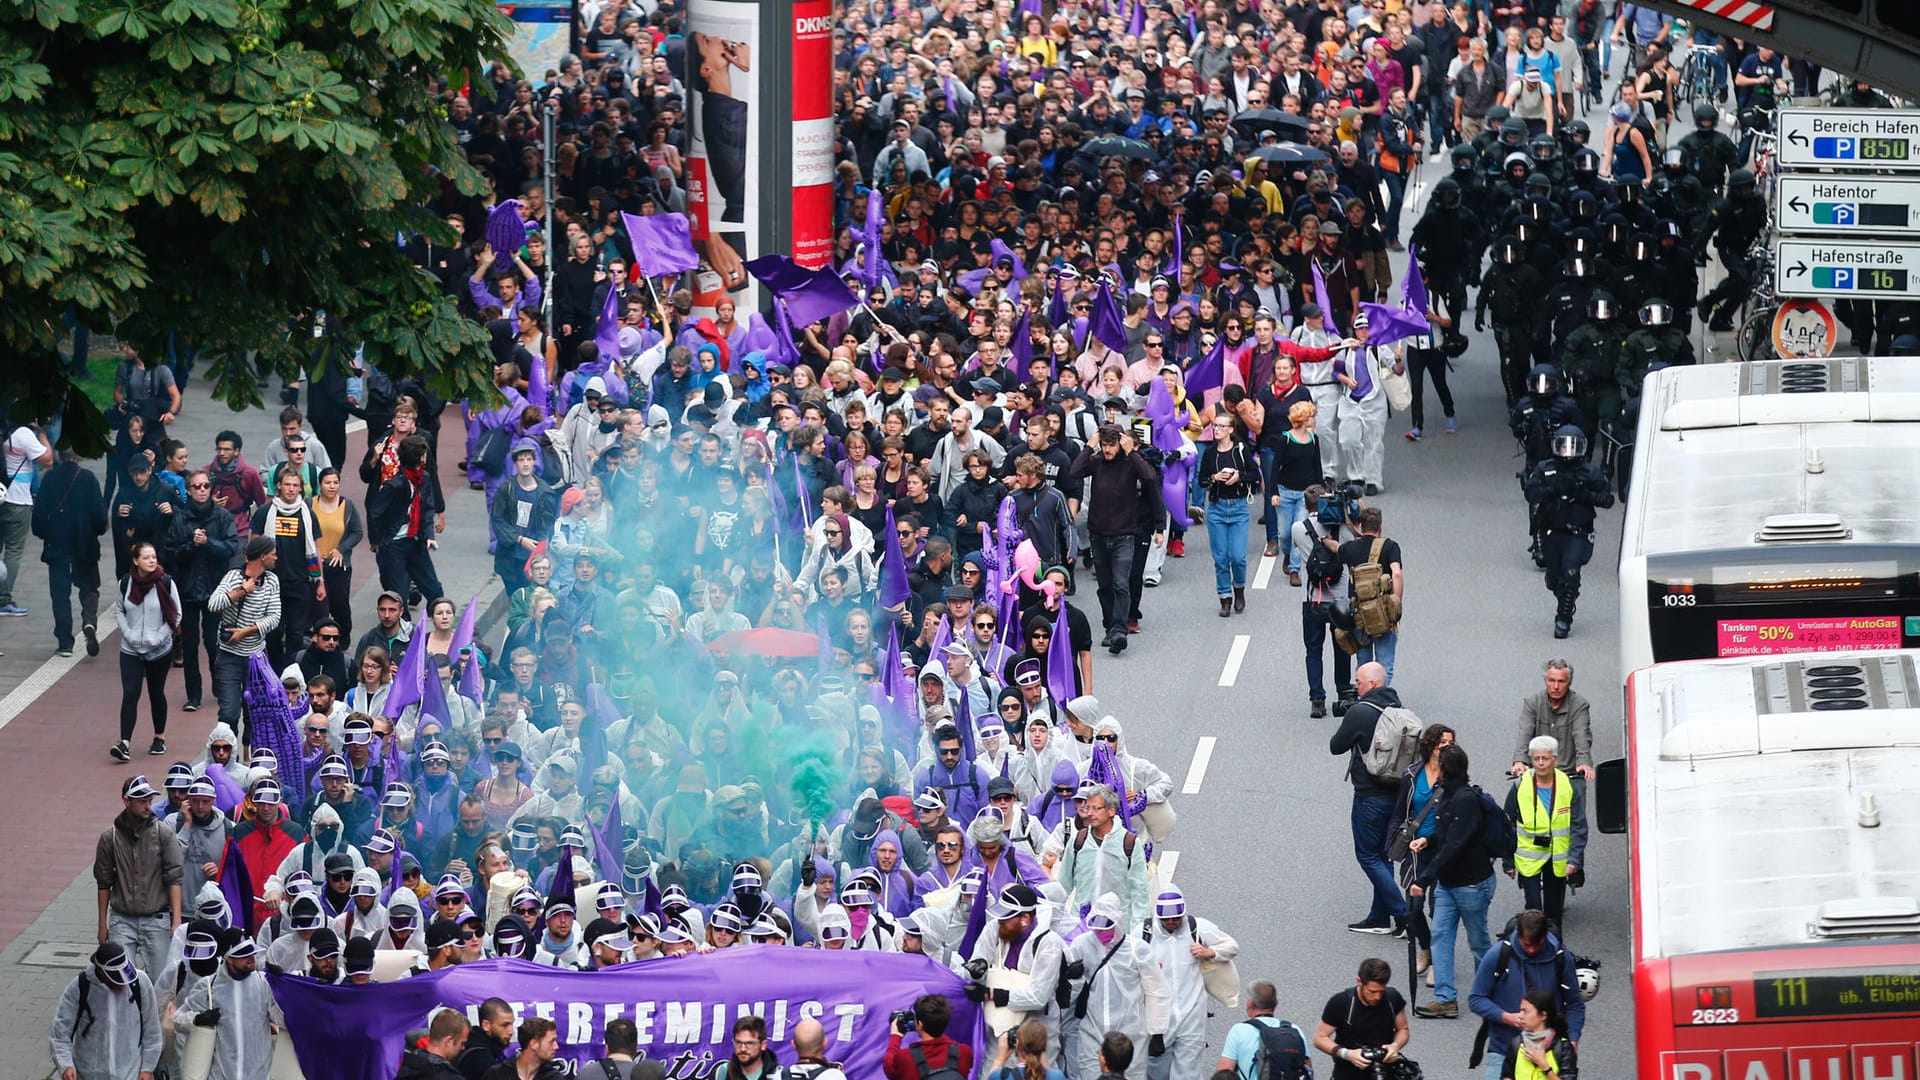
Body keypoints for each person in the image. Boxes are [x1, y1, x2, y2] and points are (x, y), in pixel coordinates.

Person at [1408, 744, 1497, 1021]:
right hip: (1449, 883)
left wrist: (1423, 878)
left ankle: (1490, 992)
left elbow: (1456, 844)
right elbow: (1447, 835)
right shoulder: (1447, 795)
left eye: (1440, 765)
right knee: (1441, 936)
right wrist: (1429, 839)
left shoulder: (1465, 800)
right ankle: (1446, 999)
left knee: (1478, 940)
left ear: (1447, 770)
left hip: (1471, 884)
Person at [1065, 426, 1163, 654]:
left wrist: (1132, 452)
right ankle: (1110, 626)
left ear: (1120, 444)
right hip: (1098, 534)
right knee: (1105, 586)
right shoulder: (1097, 461)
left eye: (1112, 445)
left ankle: (1119, 630)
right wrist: (1090, 445)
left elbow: (1149, 477)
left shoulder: (1131, 463)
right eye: (1105, 445)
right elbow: (1074, 471)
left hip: (1124, 535)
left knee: (1121, 583)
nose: (1108, 449)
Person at [1327, 662, 1407, 935]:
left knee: (1368, 856)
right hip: (1397, 794)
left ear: (1372, 684)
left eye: (1358, 682)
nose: (1355, 686)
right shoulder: (1398, 707)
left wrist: (1349, 718)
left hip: (1369, 795)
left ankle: (1404, 914)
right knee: (1383, 856)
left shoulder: (1360, 712)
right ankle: (1380, 917)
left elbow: (1336, 746)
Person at [1468, 910, 1585, 1080]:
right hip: (1503, 1048)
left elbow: (1575, 1004)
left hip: (1549, 1052)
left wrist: (1573, 1039)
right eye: (1526, 945)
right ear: (1518, 934)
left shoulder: (1561, 958)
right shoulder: (1499, 954)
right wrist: (1506, 1017)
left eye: (1537, 945)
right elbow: (1476, 998)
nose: (1531, 950)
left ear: (1545, 936)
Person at [1064, 892, 1168, 1080]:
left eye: (1106, 928)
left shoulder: (1137, 950)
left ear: (1118, 922)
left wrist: (1157, 1031)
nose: (1101, 933)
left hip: (1130, 1036)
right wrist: (1070, 976)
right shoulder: (1082, 945)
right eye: (1097, 928)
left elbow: (1156, 991)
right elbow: (1068, 992)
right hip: (1093, 1032)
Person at [1522, 427, 1613, 638]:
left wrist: (1582, 494)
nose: (1568, 451)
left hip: (1578, 533)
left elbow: (1607, 499)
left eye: (1573, 446)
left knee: (1571, 571)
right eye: (1564, 446)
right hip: (1552, 531)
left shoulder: (1589, 472)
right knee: (1553, 579)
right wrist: (1551, 491)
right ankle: (1565, 596)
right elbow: (1530, 492)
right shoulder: (1545, 468)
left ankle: (1563, 618)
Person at [164, 469, 240, 711]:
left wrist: (208, 543)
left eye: (205, 485)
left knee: (212, 640)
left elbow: (231, 548)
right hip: (187, 589)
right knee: (189, 644)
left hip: (213, 589)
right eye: (196, 486)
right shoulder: (180, 519)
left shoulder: (222, 516)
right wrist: (191, 545)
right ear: (188, 490)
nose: (202, 490)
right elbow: (170, 553)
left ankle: (219, 684)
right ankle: (193, 695)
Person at [1145, 886, 1239, 1080]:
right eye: (1166, 919)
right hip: (1158, 1023)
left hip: (1191, 1019)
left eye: (1176, 918)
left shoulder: (1197, 927)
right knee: (1156, 1073)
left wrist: (1210, 953)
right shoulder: (1145, 933)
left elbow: (1232, 946)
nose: (1171, 923)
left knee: (1188, 1075)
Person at [95, 775, 183, 980]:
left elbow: (174, 878)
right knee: (119, 979)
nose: (147, 806)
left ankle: (156, 1013)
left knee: (162, 981)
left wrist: (176, 920)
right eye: (141, 801)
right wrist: (102, 924)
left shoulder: (163, 833)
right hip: (121, 919)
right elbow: (103, 882)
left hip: (156, 919)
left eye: (149, 801)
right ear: (126, 801)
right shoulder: (110, 837)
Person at [961, 883, 1063, 1060]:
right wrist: (977, 971)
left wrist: (994, 995)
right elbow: (976, 964)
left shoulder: (1049, 943)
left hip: (1037, 1029)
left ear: (1025, 918)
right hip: (997, 1026)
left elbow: (1038, 997)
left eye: (1007, 917)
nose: (1000, 921)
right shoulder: (994, 928)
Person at [1503, 737, 1587, 930]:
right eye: (1537, 758)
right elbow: (1507, 824)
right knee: (1533, 910)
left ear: (1555, 760)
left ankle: (1554, 950)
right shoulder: (1519, 786)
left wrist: (1574, 859)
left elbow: (1579, 825)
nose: (1541, 763)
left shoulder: (1568, 786)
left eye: (1545, 758)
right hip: (1528, 857)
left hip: (1557, 857)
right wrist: (1508, 860)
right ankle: (1532, 952)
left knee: (1553, 911)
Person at [48, 941, 161, 1080]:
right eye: (117, 980)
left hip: (130, 1074)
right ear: (102, 973)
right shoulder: (80, 986)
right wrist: (66, 1065)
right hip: (89, 1074)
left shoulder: (140, 983)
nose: (123, 984)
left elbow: (152, 1030)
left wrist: (147, 1068)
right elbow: (60, 1034)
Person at [34, 448, 109, 659]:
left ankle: (65, 641)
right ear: (79, 456)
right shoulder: (87, 478)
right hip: (84, 546)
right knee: (89, 587)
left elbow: (39, 515)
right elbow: (100, 516)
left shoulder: (49, 479)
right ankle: (89, 621)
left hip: (57, 548)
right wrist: (97, 530)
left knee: (60, 594)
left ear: (58, 455)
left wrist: (44, 533)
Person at [111, 542, 181, 761]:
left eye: (154, 556)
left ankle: (159, 737)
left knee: (156, 692)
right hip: (130, 649)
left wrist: (158, 637)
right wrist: (129, 634)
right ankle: (124, 743)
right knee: (130, 693)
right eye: (146, 557)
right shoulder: (125, 583)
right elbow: (120, 610)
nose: (152, 561)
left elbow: (176, 614)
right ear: (136, 560)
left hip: (159, 650)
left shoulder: (166, 583)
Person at [172, 932, 274, 1080]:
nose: (252, 958)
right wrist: (197, 1019)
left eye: (252, 952)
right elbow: (178, 1020)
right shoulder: (208, 986)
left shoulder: (264, 984)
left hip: (260, 1075)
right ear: (230, 959)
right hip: (220, 1075)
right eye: (244, 954)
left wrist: (283, 984)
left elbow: (283, 1018)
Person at [207, 537, 281, 737]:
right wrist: (241, 591)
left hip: (256, 658)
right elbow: (213, 604)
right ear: (263, 557)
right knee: (229, 713)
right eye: (273, 553)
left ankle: (253, 758)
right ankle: (228, 757)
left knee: (256, 713)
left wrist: (246, 631)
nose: (276, 557)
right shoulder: (232, 577)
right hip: (228, 657)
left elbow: (274, 617)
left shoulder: (272, 581)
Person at [1294, 485, 1353, 718]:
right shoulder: (1341, 529)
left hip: (1312, 599)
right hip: (1340, 598)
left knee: (1313, 650)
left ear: (1306, 505)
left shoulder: (1299, 528)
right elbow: (1354, 544)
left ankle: (1317, 699)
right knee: (1342, 647)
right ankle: (1343, 690)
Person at [1196, 413, 1258, 617]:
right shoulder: (1210, 453)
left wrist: (1239, 476)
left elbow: (1255, 476)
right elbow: (1201, 480)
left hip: (1238, 507)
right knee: (1221, 557)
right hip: (1217, 508)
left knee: (1238, 557)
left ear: (1231, 430)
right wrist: (1214, 477)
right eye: (1215, 426)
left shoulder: (1240, 450)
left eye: (1222, 426)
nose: (1217, 429)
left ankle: (1239, 588)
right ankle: (1225, 597)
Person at [1511, 660, 1595, 804]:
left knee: (1578, 820)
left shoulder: (1579, 705)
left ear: (1569, 682)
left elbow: (1581, 734)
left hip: (1568, 773)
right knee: (1516, 807)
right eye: (1552, 680)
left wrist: (1584, 762)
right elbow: (1525, 733)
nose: (1556, 687)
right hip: (1539, 771)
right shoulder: (1532, 703)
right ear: (1545, 681)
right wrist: (1519, 761)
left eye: (1561, 681)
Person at [1312, 958, 1410, 1080]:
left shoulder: (1392, 998)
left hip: (1386, 1071)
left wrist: (1395, 1046)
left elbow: (1403, 1029)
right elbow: (1320, 1038)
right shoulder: (1342, 1002)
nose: (1377, 997)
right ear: (1359, 981)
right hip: (1348, 1073)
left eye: (1381, 991)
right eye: (1372, 991)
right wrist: (1347, 1054)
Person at [1335, 506, 1403, 681]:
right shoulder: (1390, 546)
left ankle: (1364, 700)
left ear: (1359, 525)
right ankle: (1380, 702)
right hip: (1383, 613)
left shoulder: (1350, 548)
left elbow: (1336, 548)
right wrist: (1396, 604)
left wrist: (1325, 540)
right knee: (1384, 664)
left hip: (1359, 615)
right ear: (1380, 526)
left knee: (1363, 663)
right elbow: (1396, 573)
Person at [1, 421, 54, 617]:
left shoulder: (4, 432)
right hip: (17, 500)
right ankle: (3, 599)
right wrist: (41, 432)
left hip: (0, 495)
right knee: (13, 551)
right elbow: (47, 459)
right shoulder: (23, 433)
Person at [1215, 980, 1304, 1080]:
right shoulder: (1294, 1030)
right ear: (1276, 1002)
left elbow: (1224, 1072)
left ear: (1249, 1004)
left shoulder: (1239, 1031)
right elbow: (1306, 1069)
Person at [883, 992, 973, 1080]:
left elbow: (889, 1068)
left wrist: (895, 1036)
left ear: (920, 1024)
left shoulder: (905, 1058)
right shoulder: (964, 1052)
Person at [1499, 988, 1579, 1080]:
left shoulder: (1563, 1047)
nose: (1520, 1015)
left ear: (1543, 1015)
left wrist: (1544, 1066)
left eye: (1525, 1011)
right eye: (1520, 1010)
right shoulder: (1516, 1044)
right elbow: (1506, 1076)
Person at [481, 1017, 568, 1080]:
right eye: (551, 1042)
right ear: (534, 1044)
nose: (556, 1047)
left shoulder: (555, 1078)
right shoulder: (496, 1075)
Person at [398, 1010, 472, 1079]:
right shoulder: (449, 1077)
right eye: (462, 1043)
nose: (463, 1047)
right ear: (448, 1041)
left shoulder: (403, 1069)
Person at [457, 998, 517, 1080]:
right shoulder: (479, 1058)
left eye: (512, 1024)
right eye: (505, 1025)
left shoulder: (488, 1050)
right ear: (486, 1025)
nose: (511, 1031)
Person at [987, 1018, 1062, 1080]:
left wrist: (1000, 1059)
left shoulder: (1000, 1076)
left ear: (1017, 1043)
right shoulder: (1057, 1076)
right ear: (1044, 1046)